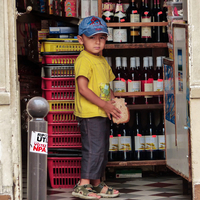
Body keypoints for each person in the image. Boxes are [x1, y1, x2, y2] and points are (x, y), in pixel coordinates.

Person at [72, 16, 121, 200]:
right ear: (80, 39)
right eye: (92, 38)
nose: (97, 42)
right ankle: (83, 184)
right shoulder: (84, 60)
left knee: (101, 149)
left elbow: (107, 88)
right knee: (92, 149)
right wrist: (104, 105)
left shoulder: (102, 60)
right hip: (90, 113)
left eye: (101, 37)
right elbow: (83, 88)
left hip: (102, 112)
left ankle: (96, 183)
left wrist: (115, 106)